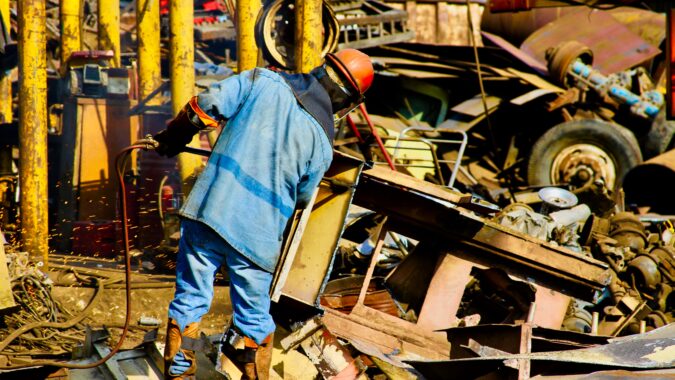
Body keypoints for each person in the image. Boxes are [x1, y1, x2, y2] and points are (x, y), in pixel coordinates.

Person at [154, 49, 374, 380]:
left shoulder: (261, 80)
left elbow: (204, 105)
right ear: (348, 102)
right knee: (253, 317)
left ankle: (179, 373)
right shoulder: (323, 144)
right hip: (257, 236)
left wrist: (171, 140)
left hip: (209, 210)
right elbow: (302, 195)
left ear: (321, 68)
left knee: (190, 298)